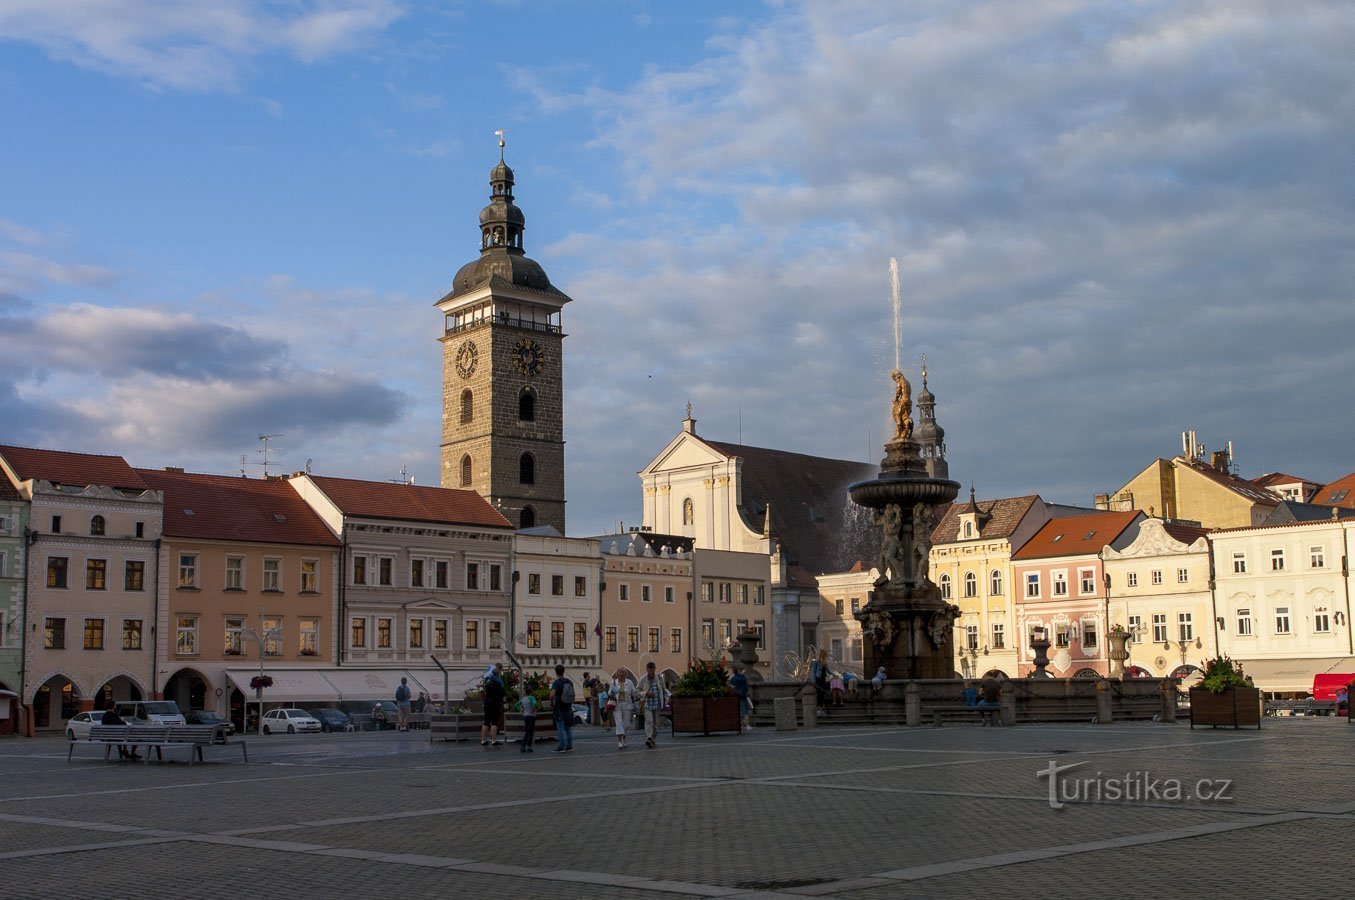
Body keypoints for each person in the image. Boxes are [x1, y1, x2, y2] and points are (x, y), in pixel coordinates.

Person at [637, 661, 669, 749]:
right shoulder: (643, 679)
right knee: (649, 722)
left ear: (655, 669)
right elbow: (637, 691)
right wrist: (646, 693)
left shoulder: (659, 677)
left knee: (655, 724)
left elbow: (663, 689)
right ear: (646, 670)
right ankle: (648, 737)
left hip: (657, 704)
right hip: (647, 704)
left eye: (652, 671)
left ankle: (653, 738)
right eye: (649, 671)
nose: (651, 673)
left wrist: (665, 701)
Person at [549, 664, 575, 752]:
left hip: (559, 707)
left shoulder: (556, 683)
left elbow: (552, 695)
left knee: (560, 727)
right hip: (568, 706)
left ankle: (561, 746)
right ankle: (569, 746)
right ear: (563, 671)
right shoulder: (569, 681)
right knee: (568, 727)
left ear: (556, 672)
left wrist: (551, 702)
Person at [481, 663, 506, 746]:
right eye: (501, 669)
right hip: (495, 703)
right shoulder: (498, 682)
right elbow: (503, 692)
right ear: (498, 669)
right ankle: (494, 740)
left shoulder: (487, 679)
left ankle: (483, 740)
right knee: (494, 722)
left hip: (487, 703)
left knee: (486, 722)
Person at [610, 669, 636, 749]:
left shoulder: (629, 682)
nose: (621, 674)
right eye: (620, 672)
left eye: (623, 673)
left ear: (625, 674)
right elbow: (609, 692)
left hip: (627, 705)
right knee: (619, 723)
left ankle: (624, 738)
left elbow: (633, 692)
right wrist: (612, 692)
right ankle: (619, 741)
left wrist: (641, 694)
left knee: (626, 724)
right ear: (617, 674)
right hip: (617, 705)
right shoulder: (614, 682)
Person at [811, 650, 831, 716]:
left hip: (823, 680)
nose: (825, 656)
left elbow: (828, 671)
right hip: (818, 680)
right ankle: (818, 711)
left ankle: (821, 711)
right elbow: (813, 672)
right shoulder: (816, 662)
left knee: (822, 695)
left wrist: (836, 675)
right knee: (819, 695)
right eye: (825, 655)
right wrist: (813, 681)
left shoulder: (825, 663)